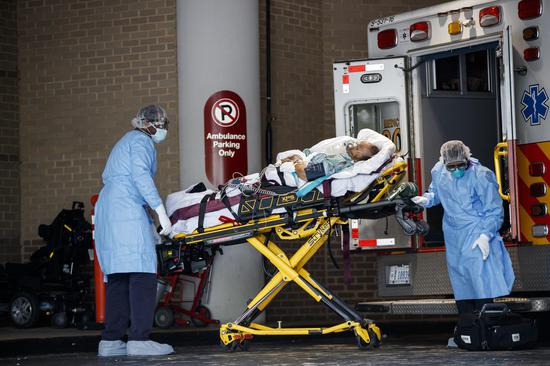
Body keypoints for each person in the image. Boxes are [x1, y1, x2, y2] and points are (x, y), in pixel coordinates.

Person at [95, 105, 175, 357]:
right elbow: (141, 176)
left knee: (118, 276)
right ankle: (139, 338)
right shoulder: (141, 141)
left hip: (110, 210)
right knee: (143, 274)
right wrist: (160, 210)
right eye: (160, 124)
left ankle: (111, 340)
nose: (162, 129)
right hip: (126, 210)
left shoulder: (125, 141)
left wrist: (150, 220)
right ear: (149, 124)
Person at [412, 140, 515, 316]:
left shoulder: (481, 175)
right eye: (451, 167)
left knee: (481, 279)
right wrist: (426, 200)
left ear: (467, 159)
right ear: (444, 163)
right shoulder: (438, 171)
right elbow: (436, 194)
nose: (456, 170)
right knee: (461, 280)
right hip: (454, 234)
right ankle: (468, 328)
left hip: (477, 230)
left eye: (460, 165)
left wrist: (485, 235)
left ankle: (485, 327)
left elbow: (494, 210)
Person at [283, 140, 380, 181]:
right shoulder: (342, 155)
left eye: (357, 146)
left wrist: (296, 160)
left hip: (291, 174)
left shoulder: (338, 163)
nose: (353, 144)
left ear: (358, 153)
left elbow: (304, 174)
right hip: (300, 160)